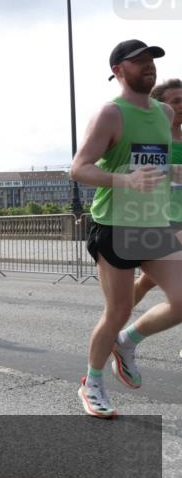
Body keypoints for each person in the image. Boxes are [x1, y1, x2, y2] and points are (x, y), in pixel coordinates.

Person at [70, 39, 182, 418]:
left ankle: (128, 342)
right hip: (116, 225)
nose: (148, 66)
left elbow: (161, 161)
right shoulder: (110, 114)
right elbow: (80, 168)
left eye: (151, 60)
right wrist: (126, 180)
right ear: (118, 71)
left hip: (154, 224)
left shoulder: (165, 113)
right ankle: (92, 382)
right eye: (139, 62)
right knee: (117, 309)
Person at [134, 78, 182, 305]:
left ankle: (116, 325)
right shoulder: (151, 139)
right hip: (164, 219)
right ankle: (115, 322)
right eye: (177, 101)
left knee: (146, 282)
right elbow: (139, 175)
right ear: (161, 107)